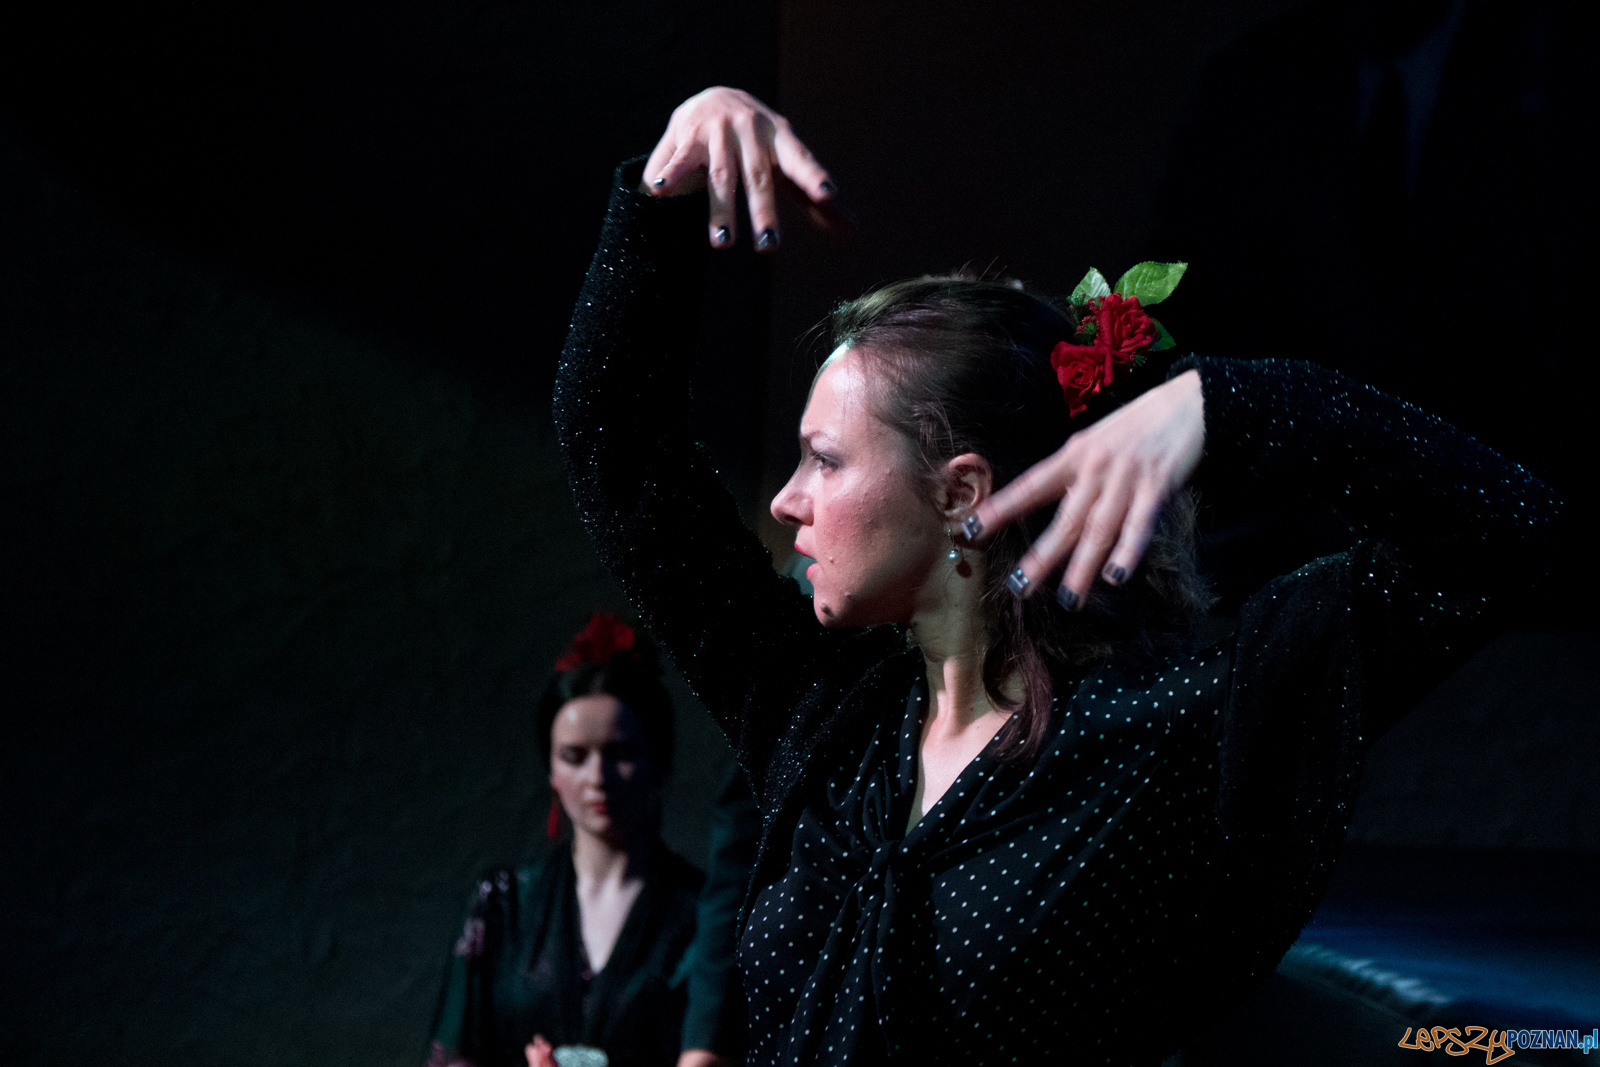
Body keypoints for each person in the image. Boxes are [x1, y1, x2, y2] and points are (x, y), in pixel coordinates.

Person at [553, 88, 1560, 1065]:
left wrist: (1222, 401)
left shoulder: (1168, 724)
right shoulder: (821, 705)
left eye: (824, 459)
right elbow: (619, 448)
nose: (785, 499)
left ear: (960, 493)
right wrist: (668, 184)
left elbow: (1505, 533)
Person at [428, 614, 704, 1067]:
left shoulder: (703, 914)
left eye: (619, 754)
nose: (597, 778)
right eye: (574, 757)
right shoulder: (505, 905)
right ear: (552, 772)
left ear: (658, 760)